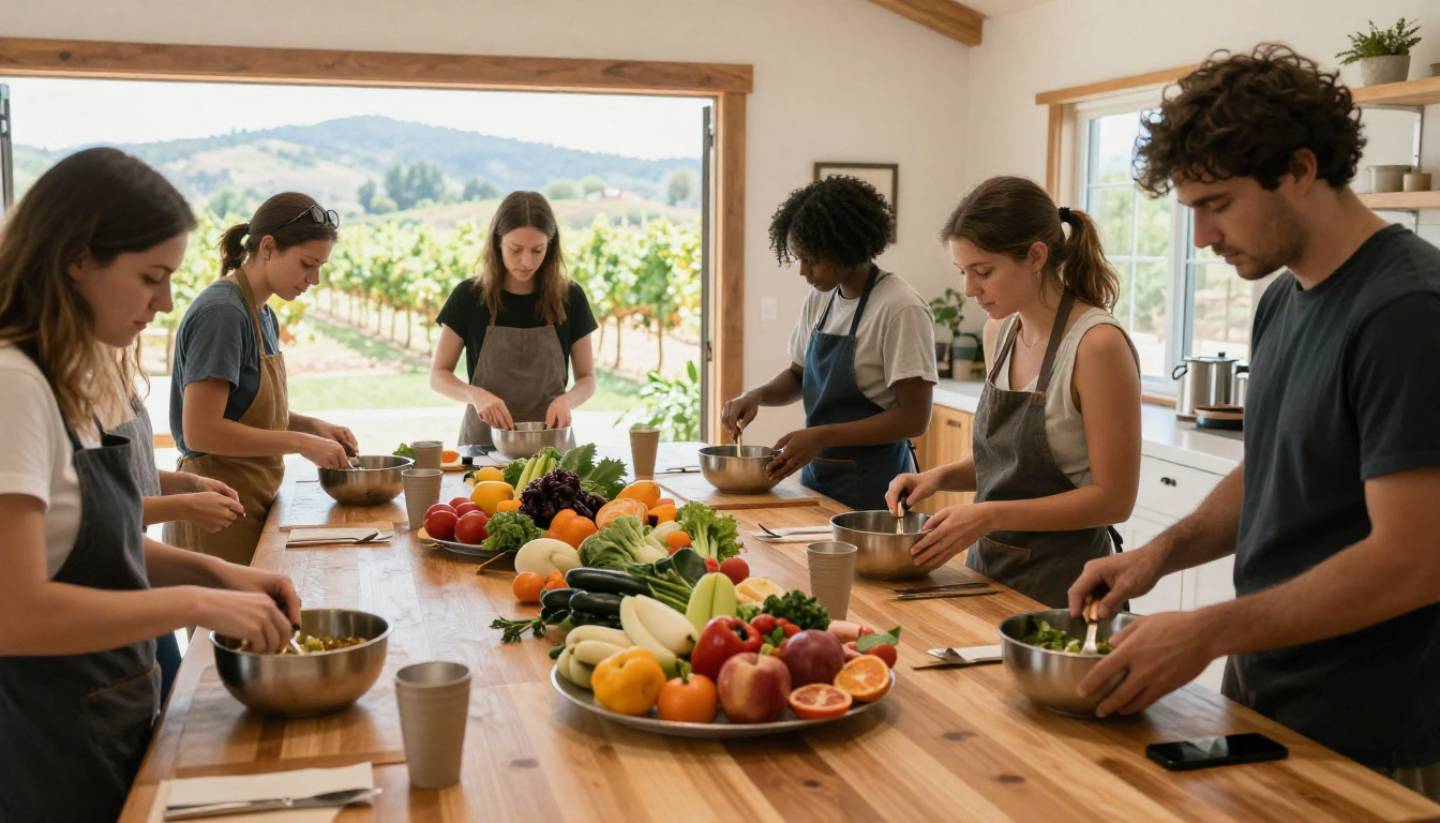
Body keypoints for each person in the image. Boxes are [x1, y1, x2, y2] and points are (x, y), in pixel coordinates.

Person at [1067, 45, 1440, 799]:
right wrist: (1158, 555)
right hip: (1269, 702)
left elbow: (1414, 559)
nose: (1201, 238)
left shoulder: (1406, 312)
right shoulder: (1284, 298)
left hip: (1380, 733)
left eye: (1217, 203)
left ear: (1300, 169)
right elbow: (1274, 466)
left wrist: (1205, 629)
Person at [0, 147, 301, 823]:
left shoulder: (68, 374)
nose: (166, 301)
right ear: (78, 258)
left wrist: (226, 578)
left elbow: (104, 547)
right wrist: (197, 599)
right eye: (150, 277)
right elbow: (14, 611)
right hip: (51, 747)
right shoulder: (14, 385)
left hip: (112, 712)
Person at [884, 177, 1141, 605]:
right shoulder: (1000, 331)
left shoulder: (1097, 346)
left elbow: (1114, 500)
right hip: (988, 573)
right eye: (963, 272)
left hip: (1067, 587)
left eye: (983, 271)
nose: (970, 290)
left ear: (1036, 256)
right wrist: (938, 477)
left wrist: (988, 515)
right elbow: (1010, 463)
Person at [721, 176, 937, 511]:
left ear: (844, 247)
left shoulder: (899, 307)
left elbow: (914, 419)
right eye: (799, 257)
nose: (803, 270)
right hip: (819, 479)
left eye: (812, 258)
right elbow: (798, 374)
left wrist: (821, 436)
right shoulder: (821, 299)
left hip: (878, 490)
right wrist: (757, 395)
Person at [165, 193, 356, 566]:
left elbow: (246, 412)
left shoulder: (262, 312)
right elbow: (201, 432)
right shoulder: (223, 313)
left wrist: (312, 426)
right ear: (268, 247)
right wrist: (300, 442)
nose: (314, 279)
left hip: (248, 501)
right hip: (214, 511)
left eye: (320, 267)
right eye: (307, 264)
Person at [102, 348, 245, 700]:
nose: (163, 304)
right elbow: (99, 511)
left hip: (138, 570)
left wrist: (188, 484)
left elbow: (128, 474)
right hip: (113, 581)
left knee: (172, 699)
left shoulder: (114, 369)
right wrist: (185, 506)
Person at [431, 191, 597, 449]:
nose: (526, 261)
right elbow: (438, 375)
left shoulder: (571, 297)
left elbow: (587, 379)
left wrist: (568, 401)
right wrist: (475, 396)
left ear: (550, 247)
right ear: (497, 241)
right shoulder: (468, 296)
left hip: (552, 444)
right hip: (483, 444)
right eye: (516, 249)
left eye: (537, 250)